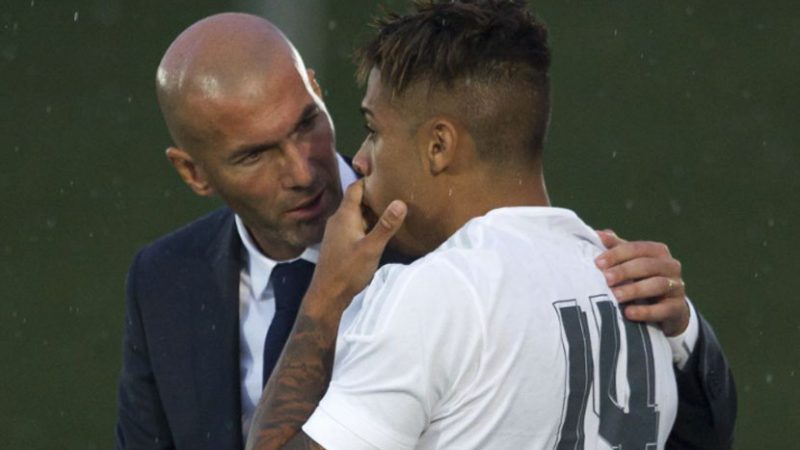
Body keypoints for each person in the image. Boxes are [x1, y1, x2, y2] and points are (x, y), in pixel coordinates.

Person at [116, 10, 734, 450]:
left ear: (319, 93)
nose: (304, 170)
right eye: (254, 155)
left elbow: (701, 430)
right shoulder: (164, 278)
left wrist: (685, 332)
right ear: (194, 172)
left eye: (308, 124)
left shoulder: (446, 266)